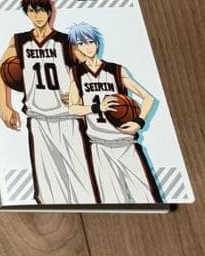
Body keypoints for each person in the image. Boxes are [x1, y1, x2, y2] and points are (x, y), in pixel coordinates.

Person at [0, 0, 95, 205]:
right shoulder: (19, 40)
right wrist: (4, 105)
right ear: (27, 14)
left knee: (81, 179)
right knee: (47, 185)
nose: (37, 15)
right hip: (38, 117)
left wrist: (77, 92)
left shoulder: (66, 42)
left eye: (41, 10)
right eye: (32, 11)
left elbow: (89, 67)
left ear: (50, 12)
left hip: (67, 117)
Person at [67, 22, 161, 204]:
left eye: (90, 41)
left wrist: (139, 122)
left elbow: (148, 98)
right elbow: (73, 108)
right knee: (112, 202)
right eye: (81, 43)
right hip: (99, 146)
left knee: (148, 198)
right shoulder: (76, 72)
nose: (87, 46)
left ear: (97, 43)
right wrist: (97, 108)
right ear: (77, 48)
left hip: (126, 143)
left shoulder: (116, 70)